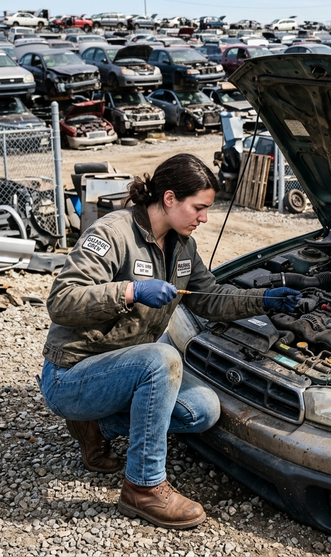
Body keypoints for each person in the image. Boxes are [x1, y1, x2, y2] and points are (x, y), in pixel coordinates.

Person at [37, 153, 300, 530]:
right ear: (170, 198)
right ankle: (142, 487)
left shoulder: (183, 246)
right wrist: (130, 290)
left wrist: (265, 298)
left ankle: (97, 426)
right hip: (71, 375)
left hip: (122, 369)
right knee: (162, 359)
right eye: (200, 207)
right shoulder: (112, 234)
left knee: (203, 409)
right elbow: (61, 301)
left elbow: (209, 298)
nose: (204, 218)